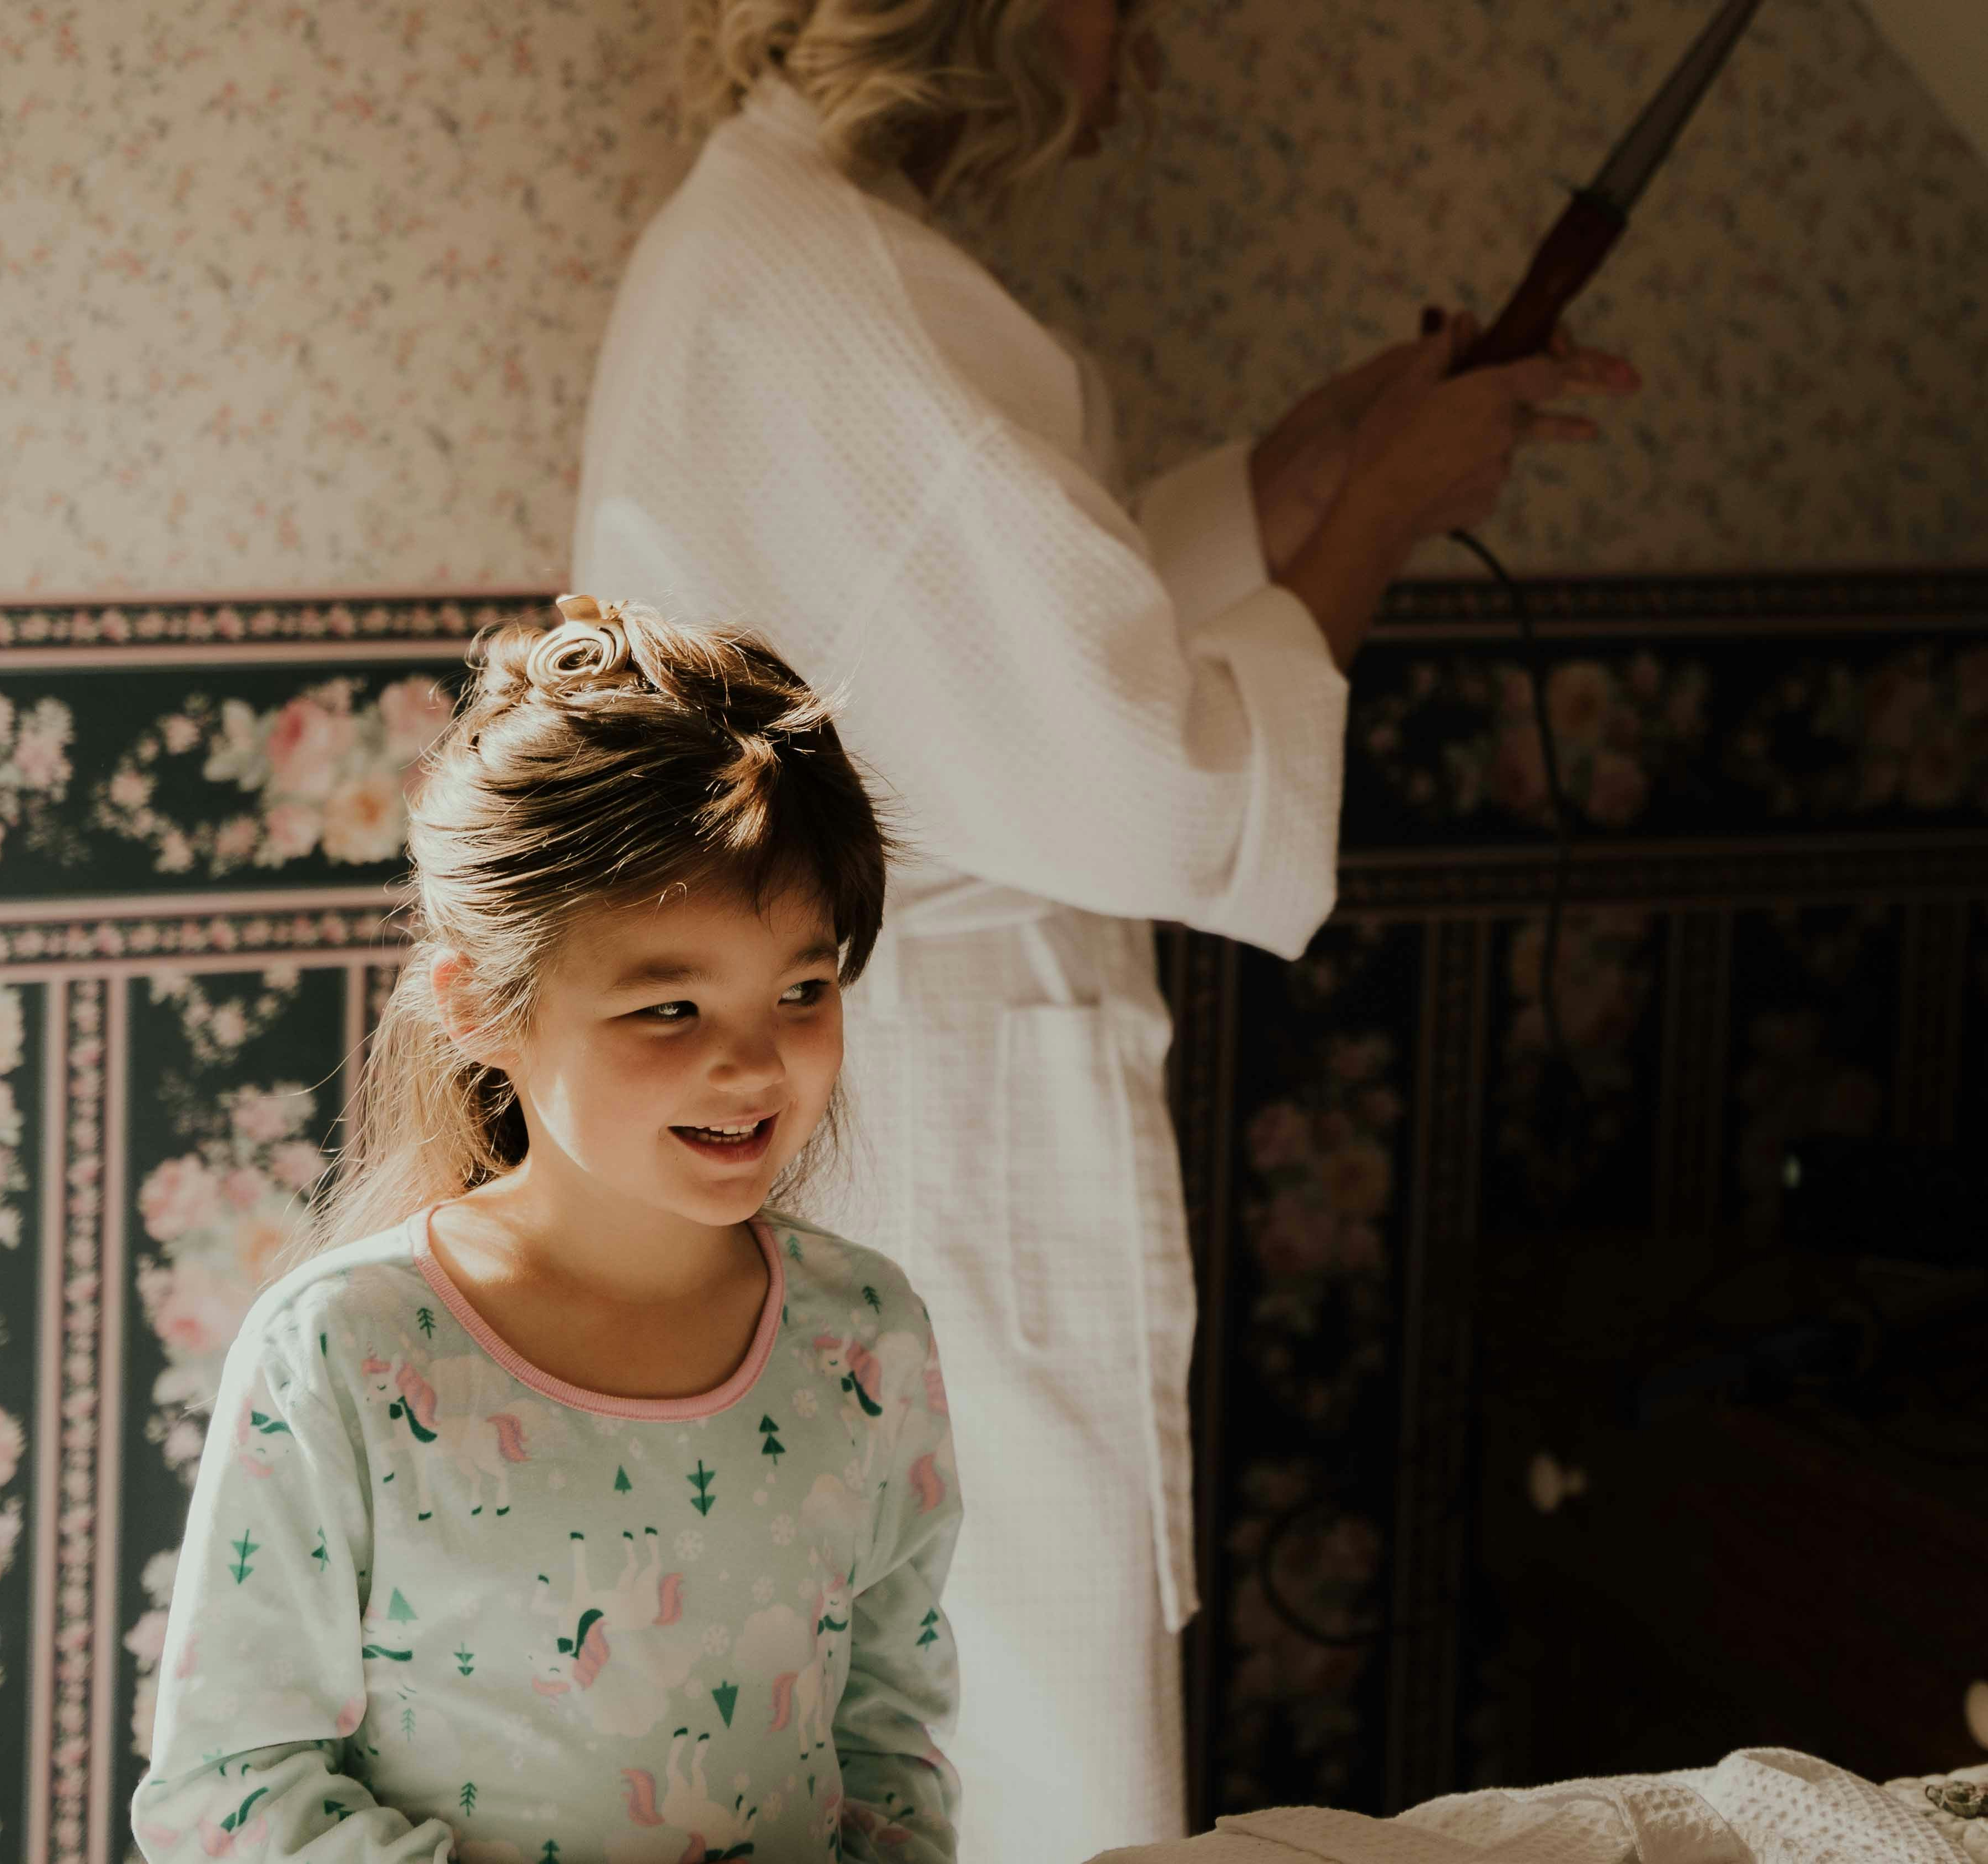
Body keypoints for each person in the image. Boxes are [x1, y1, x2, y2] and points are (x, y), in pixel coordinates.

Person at [572, 1, 1640, 1853]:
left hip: (820, 1108)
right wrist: (1378, 511)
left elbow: (984, 647)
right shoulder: (851, 289)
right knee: (1002, 1736)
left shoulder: (777, 247)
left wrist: (1294, 475)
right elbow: (1151, 777)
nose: (1128, 38)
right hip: (917, 1141)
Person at [133, 598, 965, 1862]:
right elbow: (227, 1792)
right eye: (670, 1007)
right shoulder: (344, 1354)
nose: (753, 1064)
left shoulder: (867, 1337)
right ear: (479, 1004)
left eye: (801, 990)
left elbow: (888, 1745)